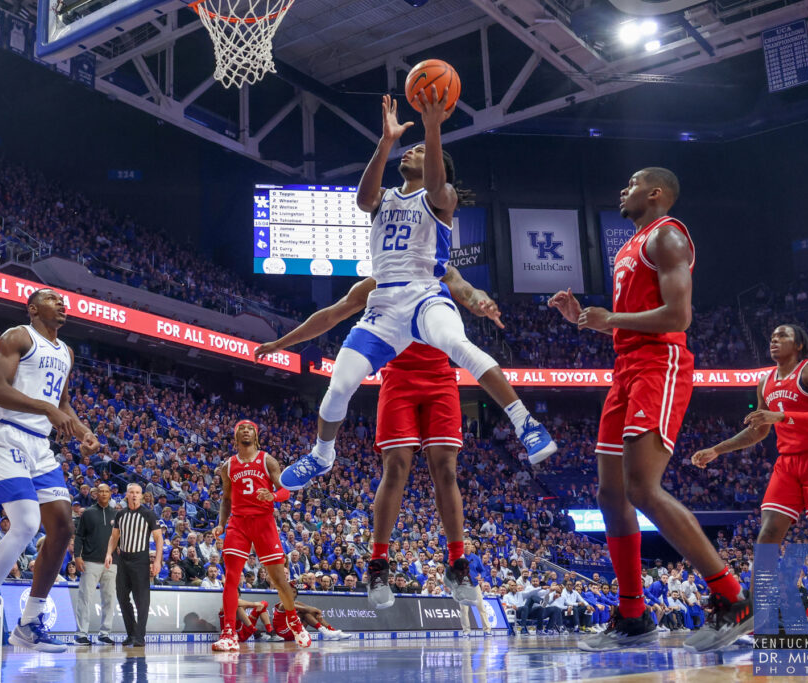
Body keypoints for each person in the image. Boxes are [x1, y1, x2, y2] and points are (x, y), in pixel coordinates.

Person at [278, 92, 556, 492]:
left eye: (421, 151)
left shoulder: (442, 199)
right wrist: (386, 142)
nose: (411, 153)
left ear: (438, 167)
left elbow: (458, 276)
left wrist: (433, 127)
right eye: (410, 150)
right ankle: (322, 456)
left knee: (457, 344)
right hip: (385, 303)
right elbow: (362, 200)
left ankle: (525, 423)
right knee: (339, 385)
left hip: (426, 295)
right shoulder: (386, 198)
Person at [549, 168, 748, 652]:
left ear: (656, 193)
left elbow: (679, 317)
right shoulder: (629, 246)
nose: (624, 188)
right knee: (609, 495)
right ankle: (633, 615)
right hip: (627, 367)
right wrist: (588, 320)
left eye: (633, 182)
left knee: (641, 488)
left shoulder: (668, 237)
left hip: (660, 365)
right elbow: (631, 322)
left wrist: (610, 317)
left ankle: (733, 597)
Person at [255, 265, 501, 608]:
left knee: (445, 470)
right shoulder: (377, 281)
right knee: (396, 466)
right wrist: (282, 343)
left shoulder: (442, 272)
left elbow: (465, 289)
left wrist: (480, 300)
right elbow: (330, 315)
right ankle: (378, 563)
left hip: (441, 378)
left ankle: (457, 563)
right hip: (398, 378)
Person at [0, 288, 99, 662]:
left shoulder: (66, 352)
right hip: (8, 438)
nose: (62, 303)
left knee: (64, 527)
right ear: (33, 309)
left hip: (41, 447)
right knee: (25, 524)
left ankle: (31, 622)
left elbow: (63, 404)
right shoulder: (18, 336)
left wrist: (83, 432)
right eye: (52, 299)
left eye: (62, 301)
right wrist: (46, 410)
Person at [692, 324, 808, 648]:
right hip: (787, 463)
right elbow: (758, 430)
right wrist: (717, 449)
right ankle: (756, 613)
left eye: (782, 336)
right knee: (768, 533)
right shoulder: (765, 381)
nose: (774, 340)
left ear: (799, 343)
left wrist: (782, 417)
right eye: (771, 336)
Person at [211, 420, 310, 651]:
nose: (246, 431)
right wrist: (221, 524)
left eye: (250, 428)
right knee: (231, 580)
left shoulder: (267, 460)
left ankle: (294, 622)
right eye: (241, 428)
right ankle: (228, 634)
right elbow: (226, 499)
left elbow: (285, 491)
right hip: (238, 523)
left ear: (256, 435)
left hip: (264, 523)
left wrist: (273, 496)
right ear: (235, 436)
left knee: (278, 580)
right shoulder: (228, 465)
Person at [103, 483, 163, 647]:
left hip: (140, 560)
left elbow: (159, 539)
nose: (135, 495)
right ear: (126, 495)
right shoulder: (120, 514)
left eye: (137, 492)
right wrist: (109, 553)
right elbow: (114, 537)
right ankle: (131, 634)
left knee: (141, 600)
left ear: (141, 495)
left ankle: (139, 636)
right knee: (122, 597)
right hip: (123, 560)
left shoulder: (148, 514)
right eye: (131, 492)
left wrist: (157, 561)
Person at [73, 483, 119, 645]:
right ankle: (81, 633)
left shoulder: (116, 514)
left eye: (107, 491)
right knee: (85, 597)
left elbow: (119, 538)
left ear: (110, 494)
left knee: (109, 599)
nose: (104, 494)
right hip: (90, 561)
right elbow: (79, 536)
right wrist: (77, 556)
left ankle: (104, 633)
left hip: (111, 563)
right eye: (101, 491)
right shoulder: (88, 513)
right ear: (96, 494)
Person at [272, 597, 349, 641]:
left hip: (293, 632)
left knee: (311, 614)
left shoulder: (295, 602)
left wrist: (316, 611)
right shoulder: (283, 605)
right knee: (306, 614)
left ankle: (331, 631)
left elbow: (309, 608)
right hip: (283, 633)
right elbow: (307, 609)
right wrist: (318, 610)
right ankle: (326, 633)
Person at [218, 597, 283, 642]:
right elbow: (233, 602)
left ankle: (270, 631)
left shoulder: (243, 603)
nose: (234, 597)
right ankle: (254, 631)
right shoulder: (224, 608)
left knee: (261, 607)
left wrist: (260, 605)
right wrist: (254, 604)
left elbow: (264, 603)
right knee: (239, 609)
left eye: (236, 596)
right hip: (232, 636)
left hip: (244, 632)